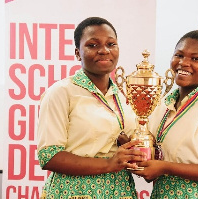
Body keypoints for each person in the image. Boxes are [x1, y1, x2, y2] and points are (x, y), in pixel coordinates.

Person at [37, 17, 146, 199]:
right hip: (74, 191)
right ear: (78, 53)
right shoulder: (61, 92)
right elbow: (49, 156)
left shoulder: (124, 95)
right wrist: (109, 164)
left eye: (111, 44)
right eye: (93, 45)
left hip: (119, 190)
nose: (104, 51)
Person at [132, 30, 198, 198]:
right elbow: (152, 149)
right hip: (163, 193)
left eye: (195, 59)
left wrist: (166, 168)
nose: (183, 63)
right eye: (179, 55)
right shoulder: (161, 105)